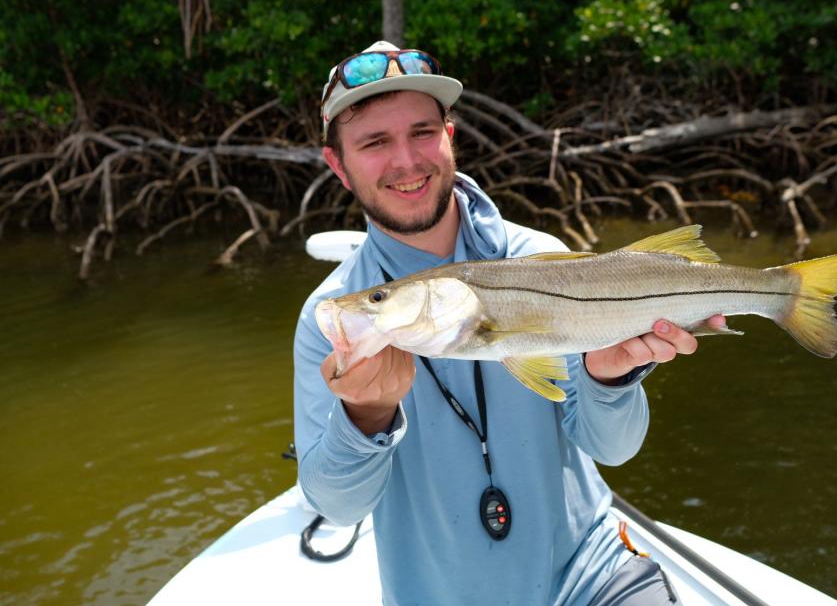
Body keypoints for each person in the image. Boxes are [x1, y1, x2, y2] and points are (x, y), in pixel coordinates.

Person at [293, 41, 724, 606]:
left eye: (422, 132)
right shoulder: (332, 315)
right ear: (339, 166)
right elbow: (338, 506)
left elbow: (613, 448)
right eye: (374, 142)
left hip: (591, 576)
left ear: (451, 137)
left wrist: (610, 380)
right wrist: (365, 416)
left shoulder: (543, 257)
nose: (405, 160)